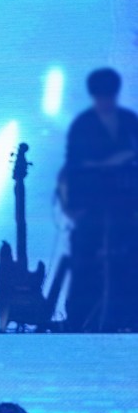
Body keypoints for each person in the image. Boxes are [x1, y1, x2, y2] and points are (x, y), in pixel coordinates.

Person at [61, 68, 138, 331]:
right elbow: (73, 167)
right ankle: (80, 322)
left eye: (109, 97)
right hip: (91, 206)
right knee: (85, 263)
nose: (106, 102)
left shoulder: (129, 121)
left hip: (127, 206)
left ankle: (128, 319)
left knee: (129, 260)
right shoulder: (82, 125)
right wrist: (73, 207)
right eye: (101, 97)